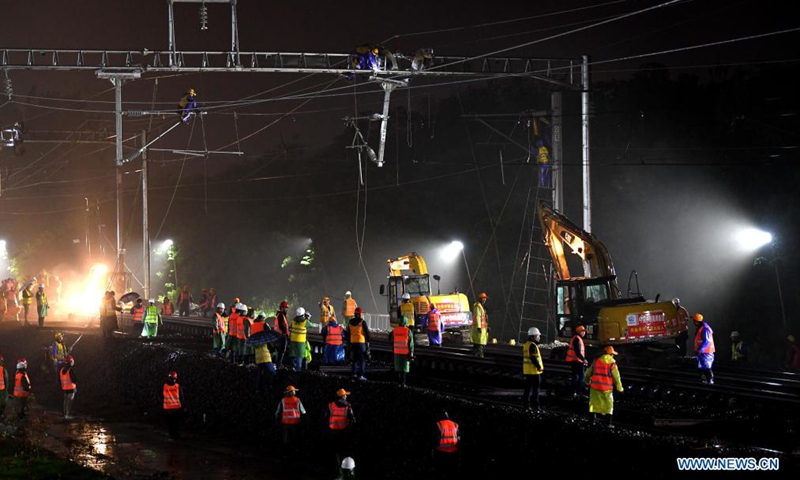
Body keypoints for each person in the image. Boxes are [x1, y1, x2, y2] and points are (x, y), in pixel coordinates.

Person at [585, 346, 624, 426]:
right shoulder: (612, 363)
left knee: (593, 404)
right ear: (611, 354)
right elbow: (616, 377)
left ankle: (591, 421)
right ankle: (608, 423)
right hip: (607, 388)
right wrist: (620, 388)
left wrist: (587, 381)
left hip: (595, 387)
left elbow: (588, 372)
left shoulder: (596, 361)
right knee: (608, 405)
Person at [325, 388, 356, 470]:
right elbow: (353, 420)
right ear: (342, 396)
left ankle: (335, 465)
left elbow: (325, 416)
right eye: (345, 395)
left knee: (334, 449)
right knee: (343, 448)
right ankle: (343, 466)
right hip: (343, 431)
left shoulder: (331, 405)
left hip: (332, 430)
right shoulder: (348, 406)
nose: (346, 396)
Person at [522, 327, 544, 411]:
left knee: (527, 389)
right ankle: (535, 406)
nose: (539, 337)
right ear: (534, 336)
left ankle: (526, 406)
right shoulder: (532, 345)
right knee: (536, 390)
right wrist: (538, 366)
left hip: (527, 371)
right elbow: (532, 357)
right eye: (538, 335)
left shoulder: (526, 344)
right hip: (534, 372)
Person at [389, 315, 414, 387]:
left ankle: (398, 382)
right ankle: (403, 383)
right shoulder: (408, 331)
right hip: (405, 352)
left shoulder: (395, 330)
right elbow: (411, 343)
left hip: (397, 351)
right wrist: (411, 352)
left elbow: (391, 339)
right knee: (404, 368)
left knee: (398, 367)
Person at [347, 307, 371, 381]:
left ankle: (354, 374)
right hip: (361, 343)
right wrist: (368, 342)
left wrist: (349, 343)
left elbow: (348, 333)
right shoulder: (362, 322)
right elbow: (367, 333)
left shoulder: (350, 322)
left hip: (353, 342)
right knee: (362, 360)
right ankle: (361, 375)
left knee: (354, 359)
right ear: (360, 314)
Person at [253, 320, 276, 391]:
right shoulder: (264, 338)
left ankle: (258, 388)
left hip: (258, 358)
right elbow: (271, 347)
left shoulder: (255, 339)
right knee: (272, 371)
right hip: (265, 358)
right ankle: (268, 386)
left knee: (260, 373)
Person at [566, 325, 588, 397]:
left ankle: (575, 392)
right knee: (579, 377)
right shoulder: (577, 339)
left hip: (575, 360)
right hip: (576, 361)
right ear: (580, 332)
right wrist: (583, 359)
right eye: (583, 331)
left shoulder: (577, 338)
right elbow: (577, 351)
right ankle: (578, 392)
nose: (584, 333)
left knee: (576, 376)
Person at [693, 313, 715, 384]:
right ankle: (705, 381)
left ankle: (710, 382)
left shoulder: (705, 329)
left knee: (706, 368)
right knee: (701, 368)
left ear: (696, 321)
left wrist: (700, 350)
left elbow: (707, 341)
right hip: (702, 352)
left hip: (706, 352)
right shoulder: (701, 327)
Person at [162, 370, 184, 439]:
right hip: (176, 408)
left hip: (168, 408)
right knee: (176, 423)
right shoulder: (177, 386)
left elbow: (160, 395)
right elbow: (182, 397)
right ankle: (175, 434)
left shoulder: (164, 386)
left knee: (170, 423)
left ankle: (171, 435)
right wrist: (183, 405)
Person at [470, 292, 489, 358]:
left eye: (485, 298)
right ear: (480, 299)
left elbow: (484, 319)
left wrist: (487, 327)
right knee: (479, 344)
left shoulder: (481, 307)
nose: (485, 300)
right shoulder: (478, 307)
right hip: (478, 329)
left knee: (478, 344)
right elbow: (478, 316)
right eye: (484, 298)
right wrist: (479, 327)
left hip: (482, 329)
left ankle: (475, 356)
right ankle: (479, 356)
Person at [274, 301, 290, 368]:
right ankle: (279, 364)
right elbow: (282, 326)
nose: (286, 309)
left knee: (280, 350)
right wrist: (285, 332)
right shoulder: (281, 315)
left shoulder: (281, 315)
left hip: (279, 335)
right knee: (281, 350)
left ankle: (278, 363)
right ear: (282, 308)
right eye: (285, 308)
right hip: (281, 335)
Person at [60, 355, 77, 419]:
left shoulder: (62, 370)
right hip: (71, 388)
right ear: (70, 362)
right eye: (72, 361)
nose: (73, 362)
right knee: (69, 402)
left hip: (65, 388)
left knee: (65, 402)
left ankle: (65, 414)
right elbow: (74, 379)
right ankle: (67, 415)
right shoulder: (70, 370)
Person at [0, 355, 8, 420]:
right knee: (2, 403)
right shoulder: (3, 369)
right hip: (2, 390)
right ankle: (1, 415)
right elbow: (6, 380)